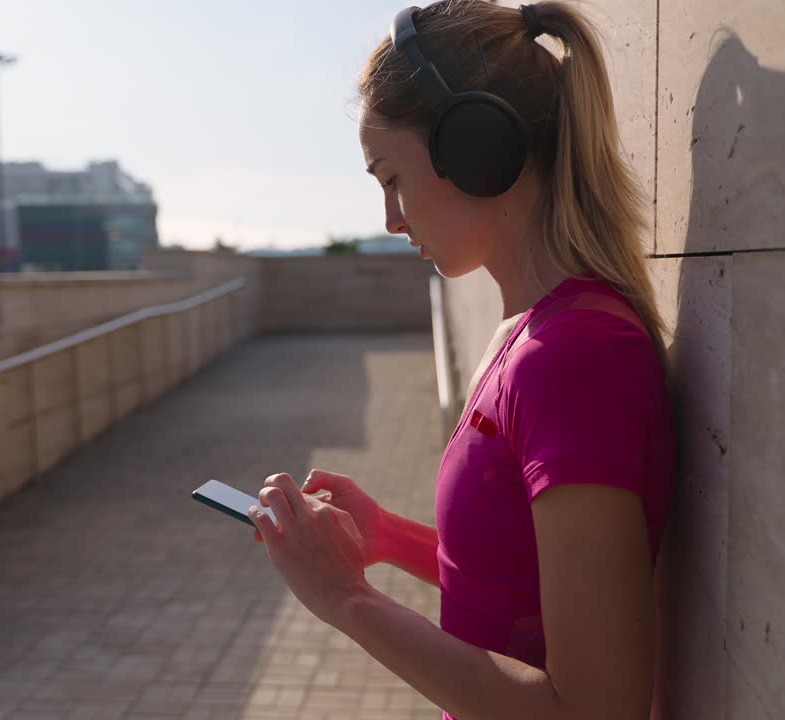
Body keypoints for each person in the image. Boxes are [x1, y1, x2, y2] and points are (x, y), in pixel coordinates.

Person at [248, 2, 676, 718]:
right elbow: (514, 587)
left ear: (477, 149)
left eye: (391, 177)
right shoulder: (532, 331)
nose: (389, 218)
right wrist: (387, 537)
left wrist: (346, 600)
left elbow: (595, 709)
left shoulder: (575, 358)